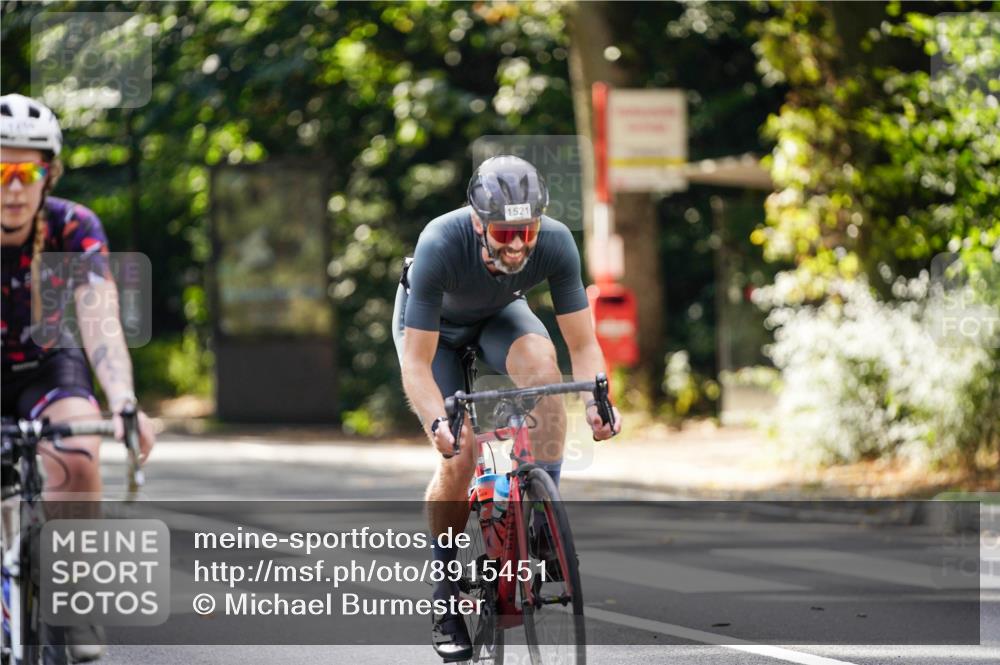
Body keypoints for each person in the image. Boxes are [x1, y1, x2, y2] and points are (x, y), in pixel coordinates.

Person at [392, 154, 622, 661]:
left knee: (546, 376)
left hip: (499, 317)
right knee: (460, 453)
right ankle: (445, 593)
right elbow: (417, 364)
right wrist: (438, 422)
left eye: (527, 231)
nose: (517, 244)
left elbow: (582, 344)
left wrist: (596, 401)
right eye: (504, 233)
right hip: (434, 335)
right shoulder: (440, 242)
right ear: (479, 224)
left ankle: (542, 520)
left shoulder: (556, 242)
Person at [1, 93, 155, 662]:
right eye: (1, 173)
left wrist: (123, 399)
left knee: (79, 456)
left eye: (28, 173)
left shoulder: (73, 226)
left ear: (50, 174)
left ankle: (76, 591)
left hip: (47, 364)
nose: (14, 189)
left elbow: (99, 319)